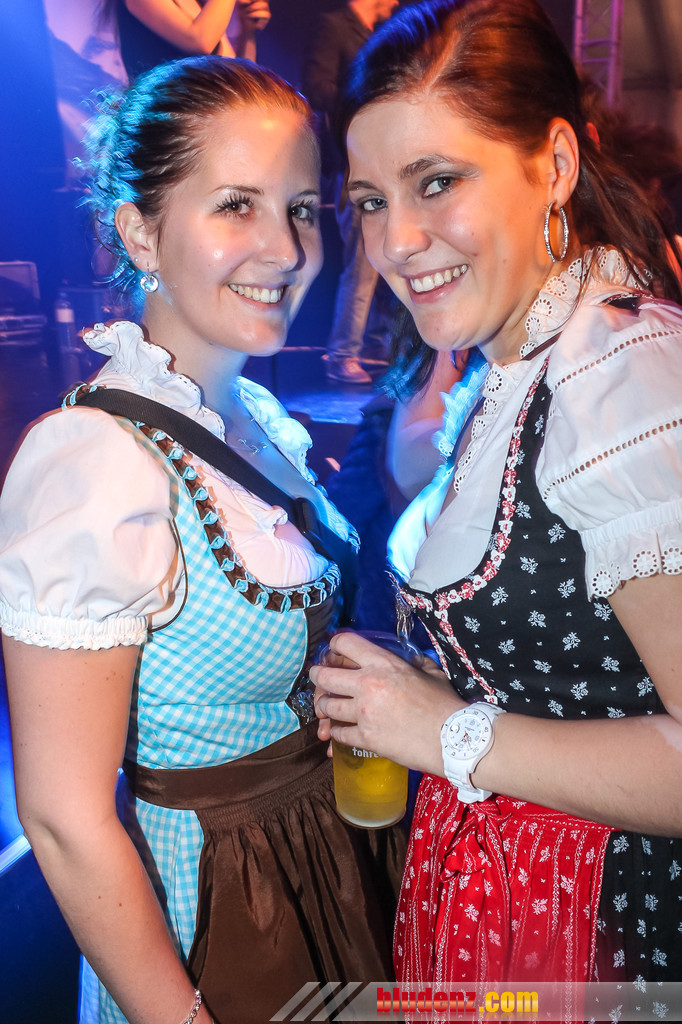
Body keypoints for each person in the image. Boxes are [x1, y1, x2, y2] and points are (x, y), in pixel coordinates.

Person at [0, 57, 404, 1024]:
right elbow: (63, 819)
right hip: (213, 911)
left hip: (325, 863)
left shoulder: (255, 418)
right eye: (235, 205)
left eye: (301, 209)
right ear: (141, 230)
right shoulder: (95, 463)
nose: (287, 249)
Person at [311, 0, 682, 995]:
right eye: (370, 201)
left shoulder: (621, 380)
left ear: (553, 164)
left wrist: (441, 730)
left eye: (437, 182)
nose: (397, 241)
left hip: (604, 933)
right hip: (508, 904)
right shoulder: (518, 356)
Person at [302, 0, 399, 385]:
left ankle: (373, 343)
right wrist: (368, 99)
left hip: (379, 161)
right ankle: (343, 354)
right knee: (362, 265)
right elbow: (316, 86)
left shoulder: (377, 33)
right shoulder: (336, 27)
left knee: (381, 258)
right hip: (353, 164)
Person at [98, 0, 271, 79]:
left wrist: (248, 33)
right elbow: (200, 40)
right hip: (175, 131)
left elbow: (239, 76)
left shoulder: (199, 4)